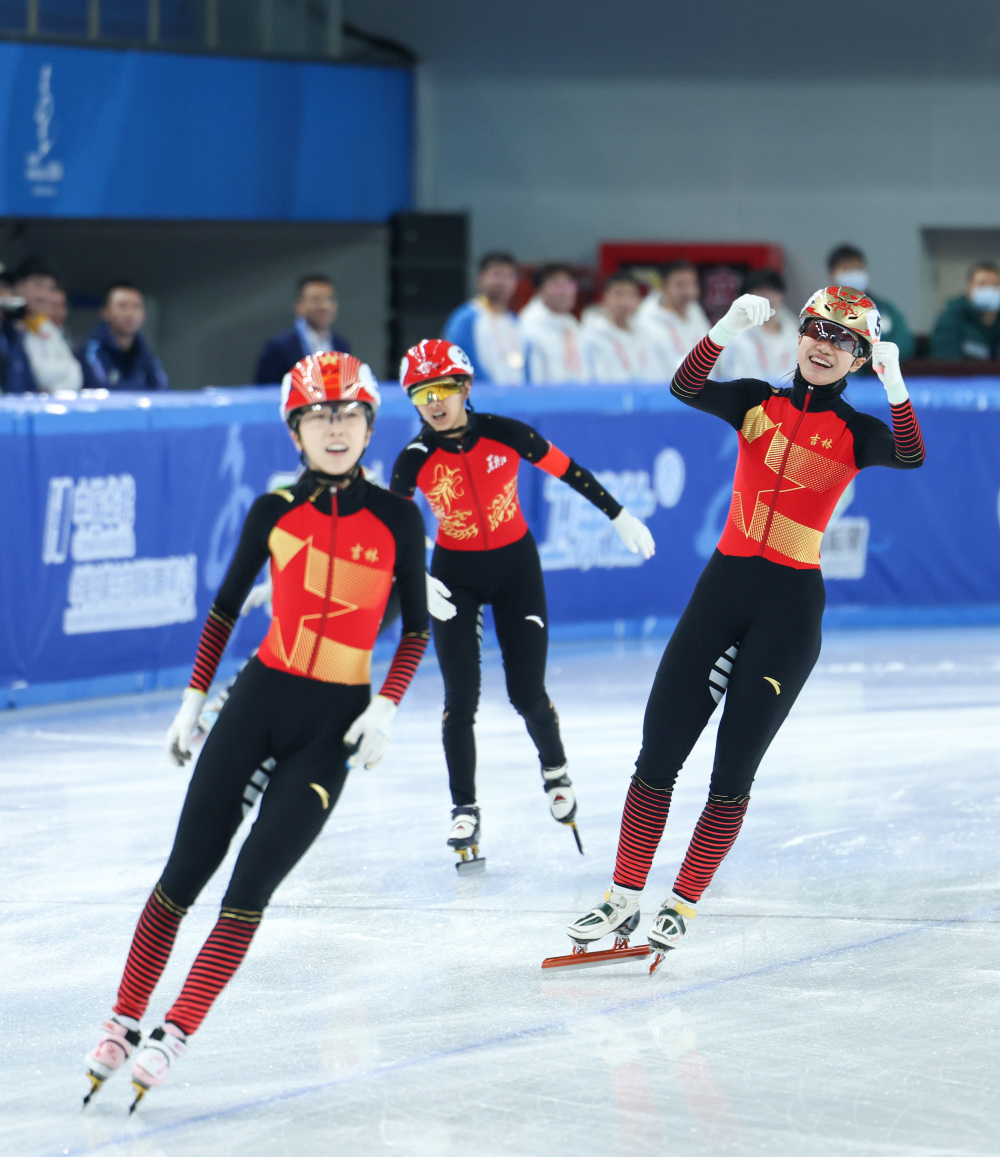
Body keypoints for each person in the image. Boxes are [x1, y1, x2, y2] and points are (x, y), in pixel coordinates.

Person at [83, 352, 429, 1109]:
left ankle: (174, 1031)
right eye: (318, 416)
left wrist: (388, 705)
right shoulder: (272, 510)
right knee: (185, 870)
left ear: (371, 424)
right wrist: (191, 700)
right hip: (258, 700)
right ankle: (121, 1018)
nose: (335, 429)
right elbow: (224, 608)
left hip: (333, 724)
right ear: (295, 430)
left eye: (349, 415)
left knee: (249, 886)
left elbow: (415, 631)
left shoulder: (401, 516)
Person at [560, 287, 925, 969]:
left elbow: (910, 455)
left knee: (732, 769)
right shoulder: (758, 401)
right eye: (815, 329)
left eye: (842, 340)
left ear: (858, 358)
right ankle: (623, 892)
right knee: (658, 750)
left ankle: (684, 899)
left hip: (789, 611)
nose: (823, 345)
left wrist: (896, 387)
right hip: (721, 591)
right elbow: (686, 386)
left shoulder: (858, 433)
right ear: (799, 335)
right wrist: (724, 327)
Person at [389, 339, 655, 868]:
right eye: (422, 394)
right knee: (458, 700)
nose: (434, 402)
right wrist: (412, 577)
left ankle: (555, 769)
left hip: (515, 570)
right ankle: (463, 808)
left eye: (443, 389)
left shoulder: (508, 434)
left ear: (465, 388)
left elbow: (570, 471)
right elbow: (392, 529)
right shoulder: (414, 459)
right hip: (454, 575)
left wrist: (618, 515)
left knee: (526, 692)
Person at [443, 251, 526, 384]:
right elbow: (461, 366)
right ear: (479, 279)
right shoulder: (466, 319)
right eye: (497, 275)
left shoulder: (516, 323)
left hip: (515, 399)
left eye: (509, 276)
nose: (503, 282)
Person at [254, 274, 349, 385]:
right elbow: (264, 392)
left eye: (329, 299)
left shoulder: (341, 346)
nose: (324, 306)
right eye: (316, 299)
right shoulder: (280, 347)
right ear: (299, 306)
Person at [581, 271, 674, 382]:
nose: (625, 301)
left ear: (639, 299)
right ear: (605, 298)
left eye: (631, 295)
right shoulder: (592, 336)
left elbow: (660, 374)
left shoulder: (647, 334)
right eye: (618, 294)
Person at [827, 244, 915, 361]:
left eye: (857, 268)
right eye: (846, 269)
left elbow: (904, 344)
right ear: (832, 274)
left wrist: (872, 357)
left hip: (880, 374)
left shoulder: (884, 309)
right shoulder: (823, 312)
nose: (853, 274)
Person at [79, 281, 169, 391]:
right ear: (105, 311)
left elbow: (162, 389)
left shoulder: (145, 351)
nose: (130, 314)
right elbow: (103, 391)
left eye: (136, 306)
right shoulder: (91, 352)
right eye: (122, 306)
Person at [716, 269, 798, 385]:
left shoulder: (793, 332)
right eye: (761, 292)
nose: (769, 298)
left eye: (773, 291)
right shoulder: (737, 336)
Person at [12, 257, 82, 393]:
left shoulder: (47, 327)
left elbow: (76, 373)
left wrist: (51, 392)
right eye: (38, 285)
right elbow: (37, 373)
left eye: (50, 288)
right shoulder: (9, 329)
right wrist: (62, 371)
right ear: (18, 286)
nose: (44, 295)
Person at [634, 259, 710, 375]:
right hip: (665, 389)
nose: (688, 291)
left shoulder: (695, 311)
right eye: (680, 285)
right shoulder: (645, 321)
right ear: (663, 287)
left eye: (692, 283)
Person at [518, 263, 589, 383]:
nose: (565, 292)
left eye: (569, 285)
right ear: (539, 290)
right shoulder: (528, 327)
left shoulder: (572, 324)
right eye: (557, 285)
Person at [930, 261, 1000, 361]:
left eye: (995, 285)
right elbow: (945, 363)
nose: (989, 290)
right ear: (969, 288)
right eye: (982, 285)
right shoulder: (951, 318)